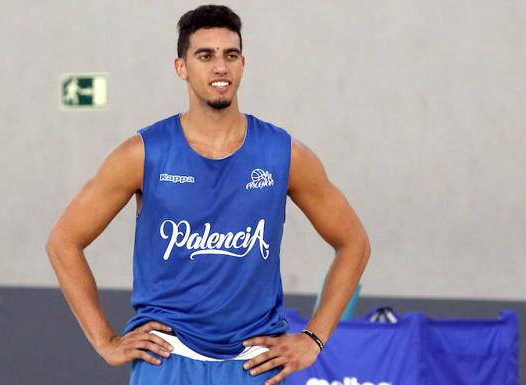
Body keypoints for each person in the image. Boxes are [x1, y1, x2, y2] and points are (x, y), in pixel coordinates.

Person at [46, 5, 370, 385]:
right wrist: (105, 342)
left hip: (254, 364)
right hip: (168, 360)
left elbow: (354, 243)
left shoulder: (283, 153)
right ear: (181, 67)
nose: (220, 67)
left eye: (230, 55)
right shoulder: (143, 153)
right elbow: (63, 241)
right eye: (205, 55)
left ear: (243, 65)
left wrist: (314, 338)